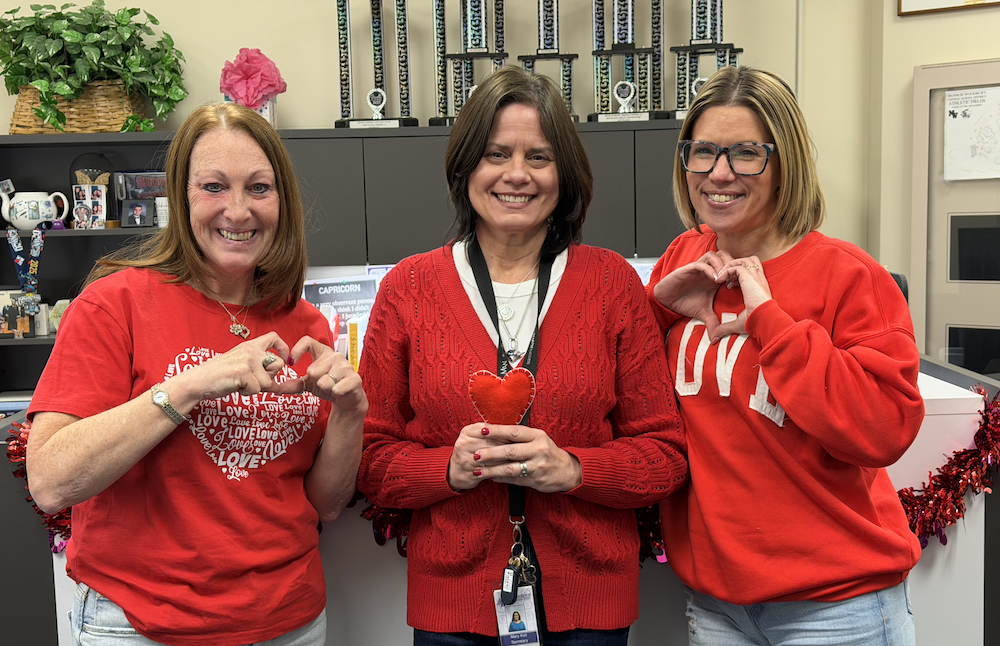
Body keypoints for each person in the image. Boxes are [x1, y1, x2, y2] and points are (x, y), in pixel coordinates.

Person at [358, 66, 687, 646]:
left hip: (591, 604)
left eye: (539, 157)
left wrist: (575, 470)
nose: (516, 175)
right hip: (452, 606)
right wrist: (447, 470)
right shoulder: (406, 290)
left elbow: (664, 455)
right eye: (495, 154)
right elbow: (370, 459)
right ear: (465, 168)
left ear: (565, 173)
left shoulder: (612, 285)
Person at [26, 102, 367, 646]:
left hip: (288, 622)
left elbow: (324, 503)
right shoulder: (115, 304)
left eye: (259, 188)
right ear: (181, 198)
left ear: (283, 202)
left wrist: (352, 412)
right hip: (141, 627)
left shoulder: (304, 325)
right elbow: (50, 481)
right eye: (213, 186)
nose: (238, 210)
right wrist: (192, 384)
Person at [647, 65, 924, 645]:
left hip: (837, 609)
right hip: (718, 606)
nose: (719, 174)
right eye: (702, 152)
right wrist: (657, 309)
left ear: (784, 161)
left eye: (746, 153)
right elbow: (640, 394)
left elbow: (882, 431)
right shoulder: (684, 256)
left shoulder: (849, 276)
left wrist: (771, 323)